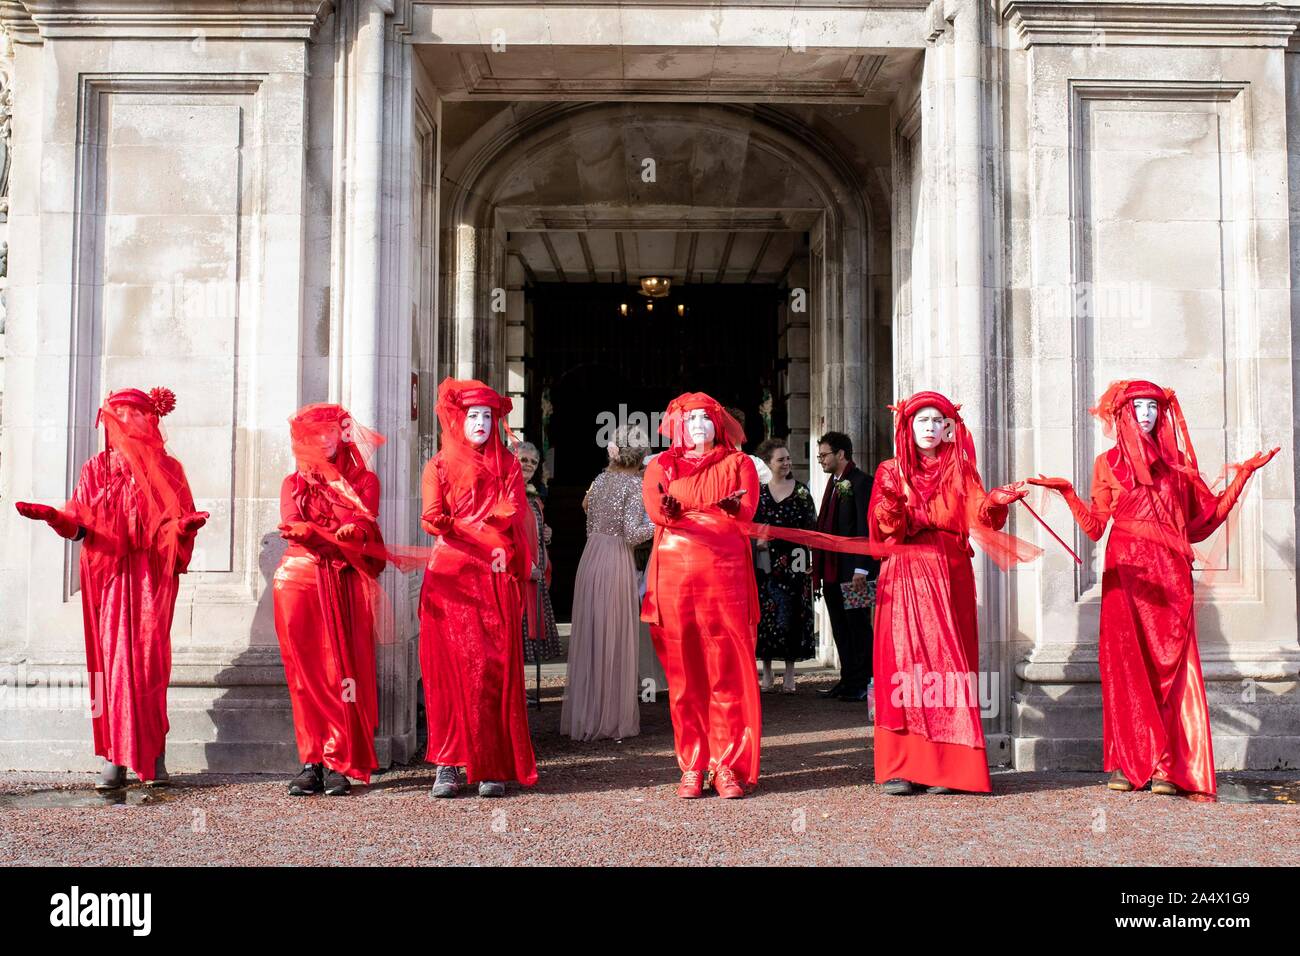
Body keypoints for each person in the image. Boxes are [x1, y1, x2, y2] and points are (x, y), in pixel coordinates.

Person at [1029, 380, 1278, 797]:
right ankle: (1129, 764)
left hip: (1169, 574)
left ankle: (1166, 765)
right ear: (1123, 414)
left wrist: (1244, 478)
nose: (1146, 414)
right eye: (1138, 407)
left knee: (1170, 668)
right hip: (1125, 573)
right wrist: (1068, 493)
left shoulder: (1177, 465)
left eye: (1153, 407)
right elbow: (1094, 529)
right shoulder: (1107, 463)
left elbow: (1204, 523)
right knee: (1126, 667)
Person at [15, 387, 207, 789]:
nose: (120, 425)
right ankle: (115, 756)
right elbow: (81, 524)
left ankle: (153, 752)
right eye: (115, 416)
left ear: (147, 420)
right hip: (109, 577)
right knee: (111, 663)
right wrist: (56, 518)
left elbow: (175, 522)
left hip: (152, 575)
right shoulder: (96, 469)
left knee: (151, 663)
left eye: (129, 416)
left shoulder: (169, 469)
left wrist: (182, 527)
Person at [869, 391, 1037, 795]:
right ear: (907, 427)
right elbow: (883, 529)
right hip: (906, 570)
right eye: (921, 420)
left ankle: (950, 766)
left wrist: (997, 500)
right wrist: (890, 507)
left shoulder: (961, 470)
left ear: (948, 427)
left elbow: (982, 516)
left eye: (936, 420)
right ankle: (905, 766)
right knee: (904, 664)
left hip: (950, 570)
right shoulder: (890, 471)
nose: (929, 428)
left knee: (949, 666)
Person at [420, 378, 537, 798]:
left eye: (488, 416)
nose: (482, 423)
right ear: (458, 419)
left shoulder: (507, 465)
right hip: (450, 578)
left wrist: (494, 525)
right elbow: (432, 514)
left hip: (493, 574)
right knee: (448, 669)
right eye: (473, 415)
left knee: (491, 668)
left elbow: (516, 510)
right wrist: (463, 525)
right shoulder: (437, 466)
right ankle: (448, 763)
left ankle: (492, 762)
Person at [642, 393, 760, 798]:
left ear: (718, 425)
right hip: (676, 575)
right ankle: (692, 764)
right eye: (690, 420)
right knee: (684, 675)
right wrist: (668, 510)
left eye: (706, 420)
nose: (698, 427)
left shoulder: (739, 463)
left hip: (725, 575)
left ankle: (726, 765)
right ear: (678, 426)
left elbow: (747, 510)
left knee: (725, 671)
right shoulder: (661, 464)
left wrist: (732, 509)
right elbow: (655, 508)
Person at [273, 403, 387, 797]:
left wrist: (351, 534)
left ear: (342, 433)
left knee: (342, 671)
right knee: (303, 676)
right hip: (298, 581)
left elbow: (363, 520)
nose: (323, 439)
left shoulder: (365, 480)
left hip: (343, 577)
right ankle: (311, 761)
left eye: (329, 431)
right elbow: (291, 522)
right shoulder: (293, 483)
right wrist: (313, 534)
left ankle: (339, 760)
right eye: (314, 433)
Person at [562, 430, 655, 741]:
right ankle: (611, 716)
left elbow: (588, 513)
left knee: (592, 634)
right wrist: (663, 521)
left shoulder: (600, 481)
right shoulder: (635, 485)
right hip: (616, 559)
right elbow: (632, 533)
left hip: (591, 557)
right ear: (641, 457)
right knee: (614, 635)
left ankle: (588, 712)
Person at [812, 431, 877, 702]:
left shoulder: (861, 483)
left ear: (841, 454)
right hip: (833, 570)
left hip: (855, 572)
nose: (820, 461)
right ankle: (848, 679)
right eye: (819, 456)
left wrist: (862, 568)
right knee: (840, 626)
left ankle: (864, 682)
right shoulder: (834, 483)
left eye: (824, 455)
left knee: (858, 627)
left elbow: (866, 527)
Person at [753, 437, 817, 693]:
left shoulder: (801, 492)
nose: (787, 463)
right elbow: (751, 524)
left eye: (788, 458)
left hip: (795, 563)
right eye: (781, 459)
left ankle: (790, 674)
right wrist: (758, 539)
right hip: (766, 562)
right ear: (768, 463)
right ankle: (767, 673)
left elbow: (812, 527)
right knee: (766, 615)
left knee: (794, 614)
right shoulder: (759, 492)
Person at [514, 440, 562, 664]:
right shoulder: (505, 491)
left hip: (536, 570)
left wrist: (545, 531)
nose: (528, 465)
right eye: (523, 459)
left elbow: (532, 523)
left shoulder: (533, 495)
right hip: (519, 571)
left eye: (533, 462)